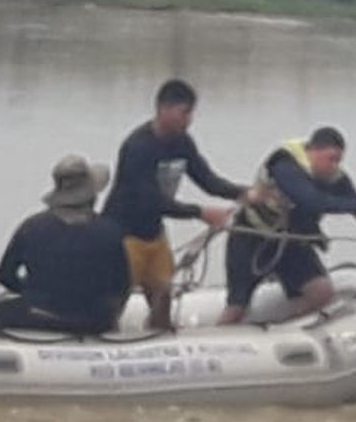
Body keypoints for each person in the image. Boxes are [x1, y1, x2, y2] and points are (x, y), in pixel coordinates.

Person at [102, 78, 248, 329]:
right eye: (185, 112)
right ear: (164, 109)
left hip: (154, 234)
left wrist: (245, 193)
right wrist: (200, 212)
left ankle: (158, 340)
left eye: (191, 113)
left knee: (163, 299)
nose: (189, 119)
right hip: (124, 234)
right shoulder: (138, 146)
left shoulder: (183, 143)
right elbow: (150, 200)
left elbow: (208, 180)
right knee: (115, 301)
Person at [220, 126, 356, 324]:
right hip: (251, 238)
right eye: (330, 159)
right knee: (236, 308)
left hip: (290, 242)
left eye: (338, 160)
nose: (334, 166)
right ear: (312, 151)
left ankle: (282, 330)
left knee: (321, 292)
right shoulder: (284, 164)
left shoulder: (335, 178)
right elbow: (309, 199)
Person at [0, 155, 132, 335]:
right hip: (91, 321)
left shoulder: (31, 227)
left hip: (40, 316)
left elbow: (4, 275)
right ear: (91, 196)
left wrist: (35, 291)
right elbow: (122, 286)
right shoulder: (110, 232)